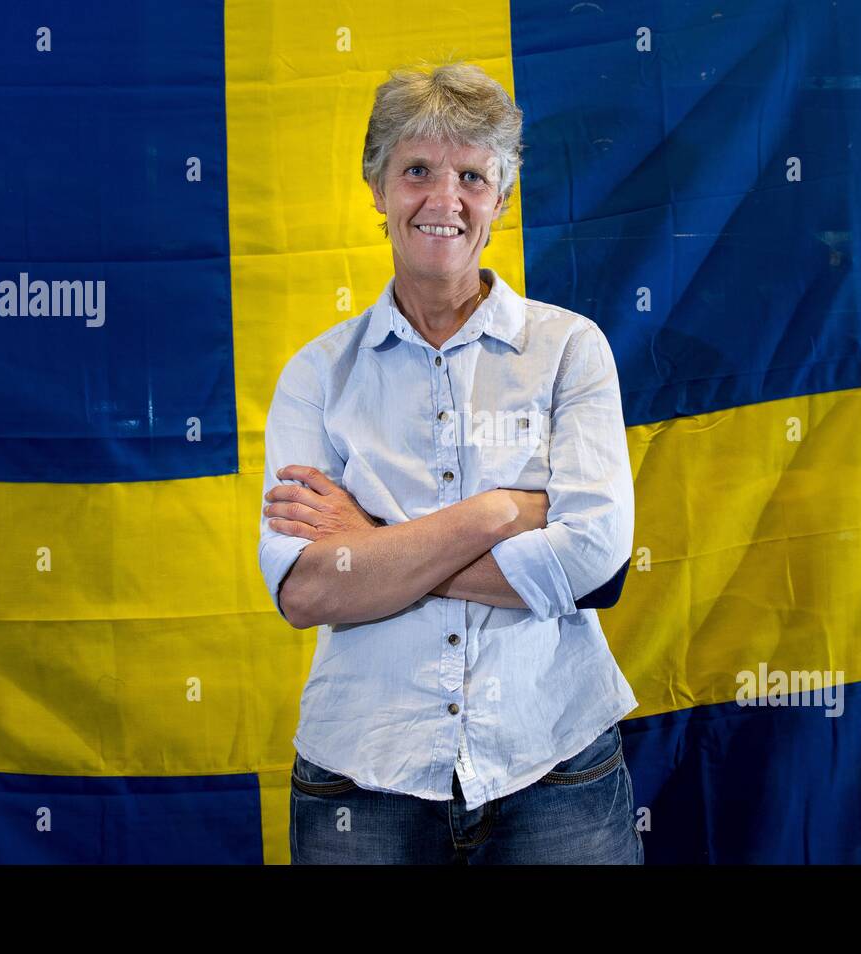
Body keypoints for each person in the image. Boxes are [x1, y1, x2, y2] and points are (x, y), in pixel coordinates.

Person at [258, 60, 640, 864]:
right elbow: (304, 588)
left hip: (555, 763)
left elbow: (596, 563)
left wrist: (372, 538)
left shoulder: (571, 350)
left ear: (500, 200)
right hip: (361, 778)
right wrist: (499, 514)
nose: (444, 200)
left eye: (472, 175)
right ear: (377, 188)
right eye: (417, 171)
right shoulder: (315, 376)